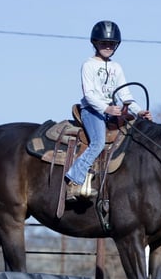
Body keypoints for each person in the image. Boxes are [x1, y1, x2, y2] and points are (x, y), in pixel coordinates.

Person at [65, 20, 152, 200]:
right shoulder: (88, 65)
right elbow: (89, 95)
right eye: (104, 42)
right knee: (98, 142)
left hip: (112, 111)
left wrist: (138, 111)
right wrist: (106, 108)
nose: (108, 47)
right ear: (95, 43)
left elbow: (125, 94)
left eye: (112, 43)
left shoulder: (116, 67)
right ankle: (74, 179)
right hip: (92, 111)